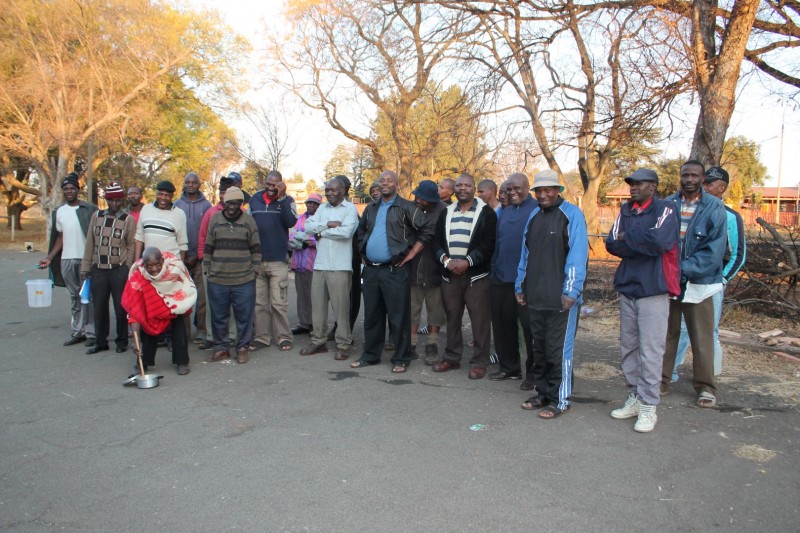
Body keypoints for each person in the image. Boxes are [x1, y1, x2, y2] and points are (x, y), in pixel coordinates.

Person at [605, 169, 680, 433]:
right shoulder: (626, 210)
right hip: (628, 288)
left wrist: (630, 239)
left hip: (653, 289)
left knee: (650, 351)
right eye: (631, 183)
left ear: (653, 186)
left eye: (638, 183)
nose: (632, 188)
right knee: (629, 347)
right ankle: (635, 397)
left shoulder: (666, 209)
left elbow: (660, 241)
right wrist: (637, 242)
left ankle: (649, 405)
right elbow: (612, 243)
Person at [516, 169, 588, 419]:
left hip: (561, 300)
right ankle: (543, 393)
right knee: (541, 349)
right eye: (539, 190)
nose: (543, 194)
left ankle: (561, 398)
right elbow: (525, 254)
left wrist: (571, 291)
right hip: (535, 296)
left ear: (558, 191)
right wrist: (520, 286)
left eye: (549, 190)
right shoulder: (534, 215)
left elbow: (578, 256)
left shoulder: (571, 215)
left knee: (559, 351)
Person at [351, 170, 434, 373]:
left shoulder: (407, 207)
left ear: (396, 185)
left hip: (394, 271)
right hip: (371, 271)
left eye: (390, 180)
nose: (385, 183)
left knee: (398, 317)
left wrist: (411, 253)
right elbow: (361, 230)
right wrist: (363, 250)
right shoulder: (371, 208)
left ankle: (401, 358)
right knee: (372, 316)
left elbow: (427, 230)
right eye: (382, 180)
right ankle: (370, 356)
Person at [661, 160, 727, 408]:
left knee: (701, 337)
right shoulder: (668, 204)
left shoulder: (714, 207)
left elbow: (713, 252)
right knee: (667, 334)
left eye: (694, 175)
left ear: (702, 179)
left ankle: (705, 388)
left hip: (700, 284)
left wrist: (681, 270)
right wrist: (669, 272)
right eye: (685, 174)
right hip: (669, 282)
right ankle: (662, 381)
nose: (689, 179)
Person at [672, 166, 746, 380]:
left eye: (707, 184)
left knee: (708, 331)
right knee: (679, 328)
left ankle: (707, 379)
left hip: (710, 282)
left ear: (721, 188)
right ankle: (672, 371)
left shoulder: (730, 216)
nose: (702, 186)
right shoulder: (679, 207)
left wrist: (722, 279)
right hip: (681, 280)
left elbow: (737, 253)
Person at [431, 174, 497, 379]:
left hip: (476, 277)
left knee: (480, 321)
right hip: (450, 276)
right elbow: (436, 243)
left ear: (473, 188)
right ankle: (451, 358)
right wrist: (446, 261)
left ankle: (479, 362)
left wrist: (467, 261)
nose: (462, 188)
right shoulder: (446, 212)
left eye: (467, 185)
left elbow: (489, 244)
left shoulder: (486, 213)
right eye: (459, 185)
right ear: (454, 189)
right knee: (452, 319)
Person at [300, 178, 359, 360]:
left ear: (343, 191)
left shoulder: (350, 209)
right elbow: (307, 227)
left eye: (334, 190)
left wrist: (321, 233)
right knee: (317, 306)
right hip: (320, 264)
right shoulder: (322, 209)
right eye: (327, 190)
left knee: (341, 308)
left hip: (340, 266)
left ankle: (343, 344)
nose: (330, 193)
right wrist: (327, 225)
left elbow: (346, 233)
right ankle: (319, 341)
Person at [39, 173, 98, 347]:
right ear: (63, 191)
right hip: (67, 259)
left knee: (87, 296)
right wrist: (50, 258)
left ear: (78, 190)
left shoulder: (90, 209)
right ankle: (77, 331)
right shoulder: (60, 212)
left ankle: (91, 332)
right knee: (74, 297)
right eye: (66, 189)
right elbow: (59, 237)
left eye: (72, 188)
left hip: (85, 260)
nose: (69, 191)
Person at [489, 173, 537, 384]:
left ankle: (534, 375)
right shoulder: (505, 212)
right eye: (509, 189)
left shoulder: (536, 210)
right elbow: (497, 244)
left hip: (526, 281)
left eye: (517, 188)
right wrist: (494, 270)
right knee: (503, 327)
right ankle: (510, 368)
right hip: (501, 278)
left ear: (528, 187)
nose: (513, 192)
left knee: (530, 330)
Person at [204, 187, 261, 364]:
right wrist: (207, 267)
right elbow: (208, 245)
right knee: (219, 316)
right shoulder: (215, 219)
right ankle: (221, 348)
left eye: (236, 203)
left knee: (244, 317)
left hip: (244, 279)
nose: (232, 206)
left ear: (241, 204)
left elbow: (256, 248)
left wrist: (255, 269)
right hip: (217, 278)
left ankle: (242, 348)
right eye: (229, 203)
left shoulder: (248, 221)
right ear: (224, 203)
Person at [80, 182, 136, 355]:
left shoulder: (128, 219)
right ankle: (101, 341)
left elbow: (131, 244)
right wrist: (86, 266)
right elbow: (90, 242)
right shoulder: (97, 216)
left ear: (122, 201)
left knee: (121, 307)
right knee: (99, 307)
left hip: (118, 269)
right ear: (107, 200)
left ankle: (121, 341)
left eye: (118, 200)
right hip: (99, 269)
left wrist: (127, 267)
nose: (115, 204)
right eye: (111, 201)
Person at [122, 247, 197, 375]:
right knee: (148, 329)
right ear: (143, 264)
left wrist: (172, 303)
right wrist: (136, 339)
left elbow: (186, 287)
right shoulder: (137, 277)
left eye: (157, 264)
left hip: (174, 305)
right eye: (149, 266)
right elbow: (135, 312)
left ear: (162, 260)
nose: (154, 269)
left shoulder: (175, 267)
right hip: (152, 309)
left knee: (179, 328)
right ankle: (143, 363)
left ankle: (182, 362)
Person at [248, 170, 298, 351]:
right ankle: (262, 337)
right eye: (268, 184)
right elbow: (248, 224)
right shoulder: (254, 199)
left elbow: (291, 222)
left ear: (281, 184)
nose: (271, 188)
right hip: (257, 260)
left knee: (278, 302)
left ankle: (284, 337)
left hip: (278, 260)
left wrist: (283, 197)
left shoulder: (288, 201)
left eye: (275, 185)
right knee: (259, 303)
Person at [408, 180, 447, 365]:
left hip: (435, 269)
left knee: (435, 311)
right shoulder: (411, 208)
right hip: (413, 268)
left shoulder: (444, 211)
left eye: (422, 198)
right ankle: (411, 344)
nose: (417, 199)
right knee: (412, 309)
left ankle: (432, 345)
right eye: (417, 195)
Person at [197, 177, 236, 349]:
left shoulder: (243, 214)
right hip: (212, 265)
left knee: (233, 304)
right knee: (213, 302)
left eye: (227, 193)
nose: (223, 196)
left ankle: (233, 336)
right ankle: (212, 336)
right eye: (221, 193)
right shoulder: (211, 213)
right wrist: (203, 260)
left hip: (235, 267)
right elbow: (202, 237)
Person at [174, 172, 212, 343]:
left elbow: (207, 234)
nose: (190, 185)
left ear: (199, 184)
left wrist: (197, 255)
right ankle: (183, 333)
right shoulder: (176, 205)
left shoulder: (206, 206)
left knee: (202, 297)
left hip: (199, 260)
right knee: (181, 298)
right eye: (187, 182)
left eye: (193, 182)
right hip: (180, 259)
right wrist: (182, 256)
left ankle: (202, 331)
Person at [290, 193, 322, 336]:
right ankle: (304, 323)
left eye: (315, 203)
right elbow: (291, 235)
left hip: (313, 264)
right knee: (301, 295)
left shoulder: (321, 219)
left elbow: (320, 237)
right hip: (298, 263)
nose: (312, 205)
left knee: (314, 297)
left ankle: (316, 325)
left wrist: (304, 239)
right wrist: (302, 240)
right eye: (310, 203)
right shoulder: (300, 218)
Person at [134, 180, 188, 262]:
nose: (163, 197)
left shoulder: (179, 214)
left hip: (171, 264)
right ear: (156, 194)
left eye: (167, 195)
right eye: (160, 194)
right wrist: (136, 262)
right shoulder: (146, 209)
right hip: (149, 263)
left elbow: (182, 245)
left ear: (172, 196)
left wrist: (181, 267)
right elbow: (139, 238)